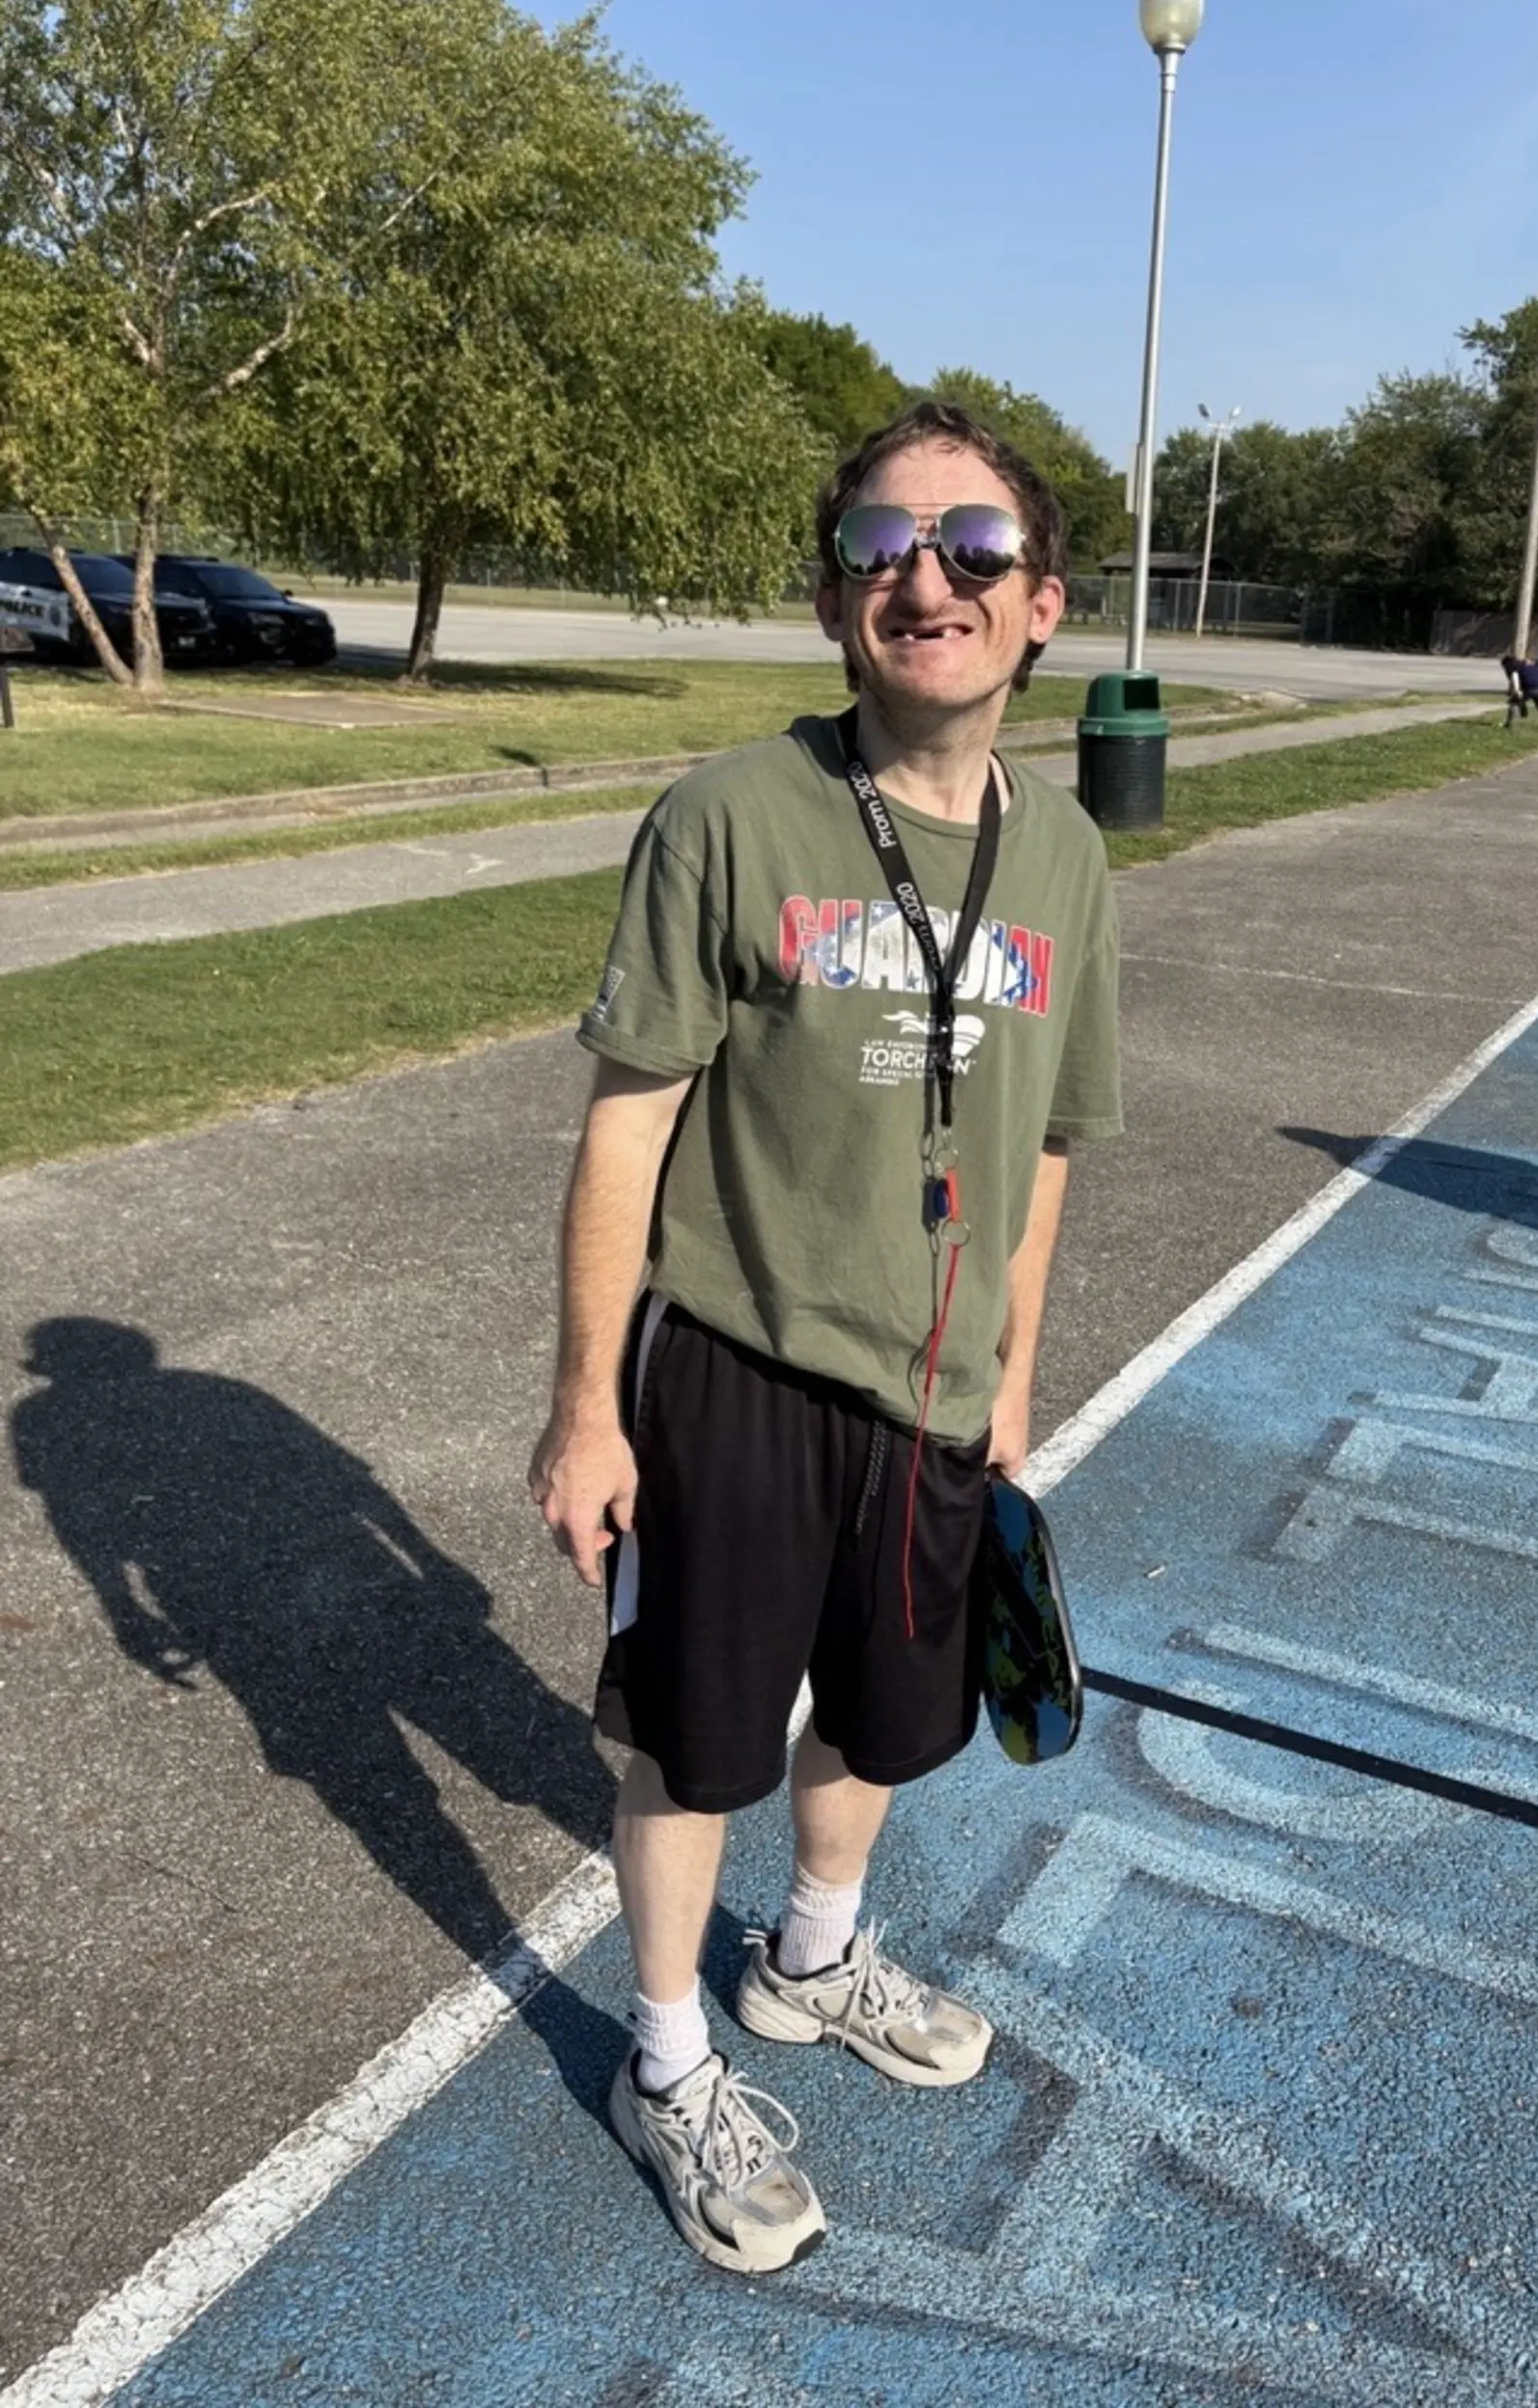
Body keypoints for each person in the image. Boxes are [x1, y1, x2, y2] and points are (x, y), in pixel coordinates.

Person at [527, 401, 1123, 2274]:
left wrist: (1014, 1384)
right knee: (695, 1741)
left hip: (938, 1394)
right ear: (829, 594)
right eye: (882, 544)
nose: (921, 576)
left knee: (885, 1712)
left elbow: (1037, 1147)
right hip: (736, 1371)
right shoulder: (734, 816)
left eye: (968, 546)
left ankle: (811, 1958)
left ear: (1040, 605)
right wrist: (584, 1409)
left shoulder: (1072, 861)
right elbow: (629, 1118)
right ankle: (673, 2056)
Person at [1501, 649, 1538, 731]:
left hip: (1532, 686)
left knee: (1514, 703)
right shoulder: (1524, 664)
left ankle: (1508, 724)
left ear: (1506, 664)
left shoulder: (1513, 667)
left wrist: (1517, 691)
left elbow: (1515, 678)